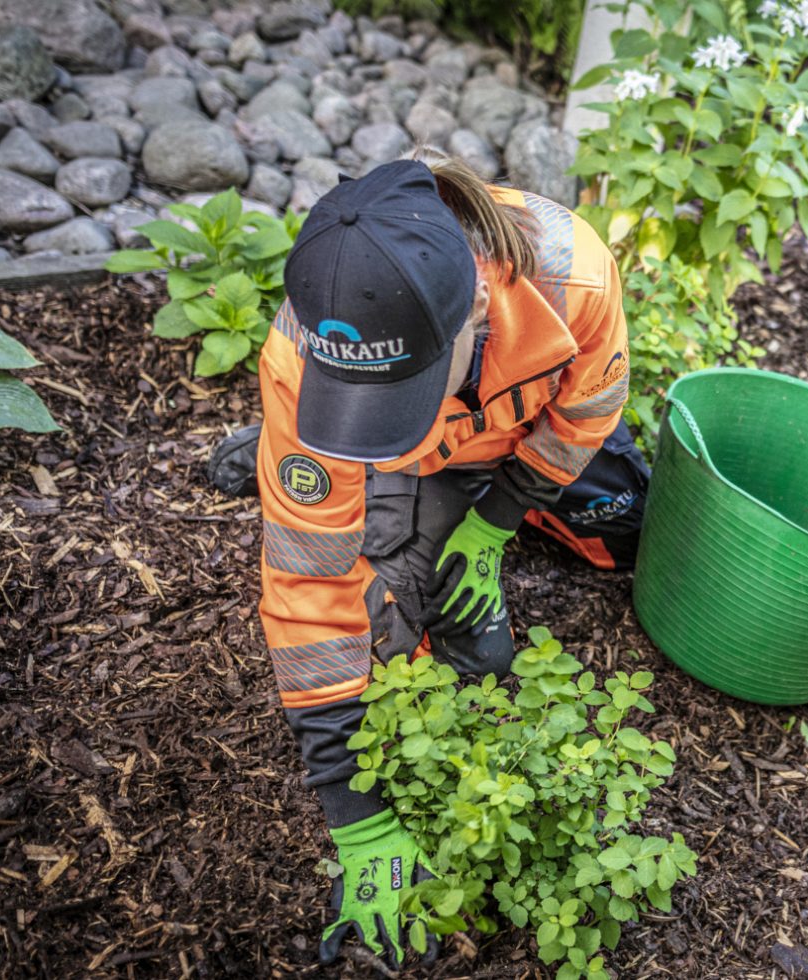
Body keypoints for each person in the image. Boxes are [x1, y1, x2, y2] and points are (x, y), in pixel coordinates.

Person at [207, 156, 647, 965]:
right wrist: (354, 808)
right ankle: (281, 451)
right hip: (409, 456)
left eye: (400, 385)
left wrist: (500, 518)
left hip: (515, 432)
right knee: (412, 625)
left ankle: (353, 464)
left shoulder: (572, 277)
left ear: (478, 299)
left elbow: (589, 408)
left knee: (631, 533)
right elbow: (309, 582)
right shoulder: (303, 356)